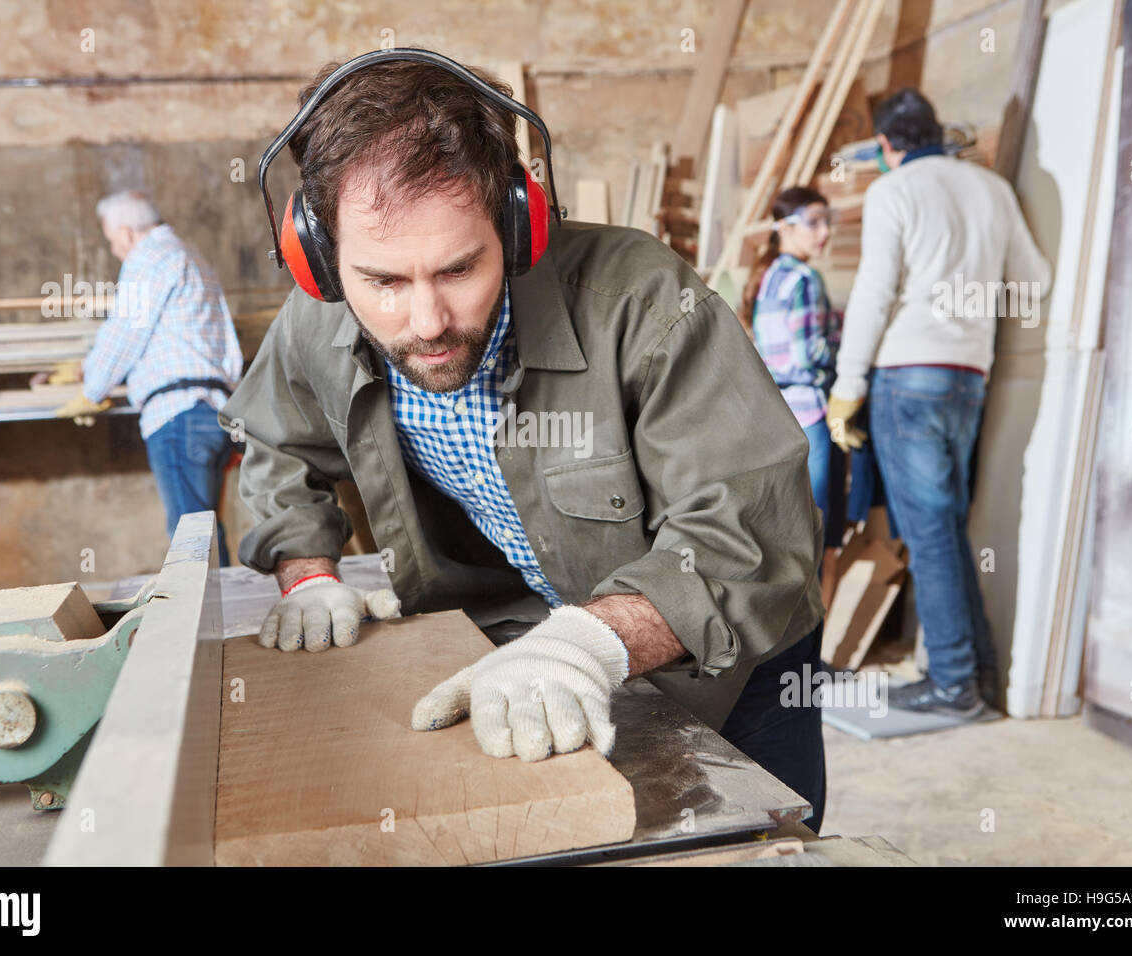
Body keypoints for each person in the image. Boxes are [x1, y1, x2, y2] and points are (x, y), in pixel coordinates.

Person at [222, 50, 827, 830]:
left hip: (731, 662)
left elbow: (752, 525)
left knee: (753, 842)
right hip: (516, 645)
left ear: (518, 222)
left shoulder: (643, 305)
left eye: (459, 268)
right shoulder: (321, 320)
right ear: (320, 258)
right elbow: (276, 442)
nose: (428, 320)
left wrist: (590, 641)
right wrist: (306, 574)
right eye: (385, 283)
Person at [826, 88, 1052, 718]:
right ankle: (976, 673)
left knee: (928, 535)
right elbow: (1035, 282)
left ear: (889, 146)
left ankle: (953, 684)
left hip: (908, 376)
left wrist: (848, 386)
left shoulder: (892, 191)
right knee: (947, 528)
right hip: (970, 376)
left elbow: (873, 294)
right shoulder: (992, 189)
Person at [56, 191, 243, 566]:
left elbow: (126, 331)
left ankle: (213, 625)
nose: (115, 251)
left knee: (192, 542)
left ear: (125, 234)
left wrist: (93, 387)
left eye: (112, 242)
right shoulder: (191, 257)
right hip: (215, 412)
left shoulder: (150, 258)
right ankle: (226, 621)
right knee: (206, 533)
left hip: (178, 417)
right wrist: (84, 366)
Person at [743, 186, 844, 553]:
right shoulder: (804, 278)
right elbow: (808, 354)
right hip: (810, 412)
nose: (825, 232)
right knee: (814, 527)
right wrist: (843, 341)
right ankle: (813, 611)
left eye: (827, 222)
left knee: (787, 528)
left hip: (778, 412)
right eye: (814, 223)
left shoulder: (768, 275)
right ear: (784, 227)